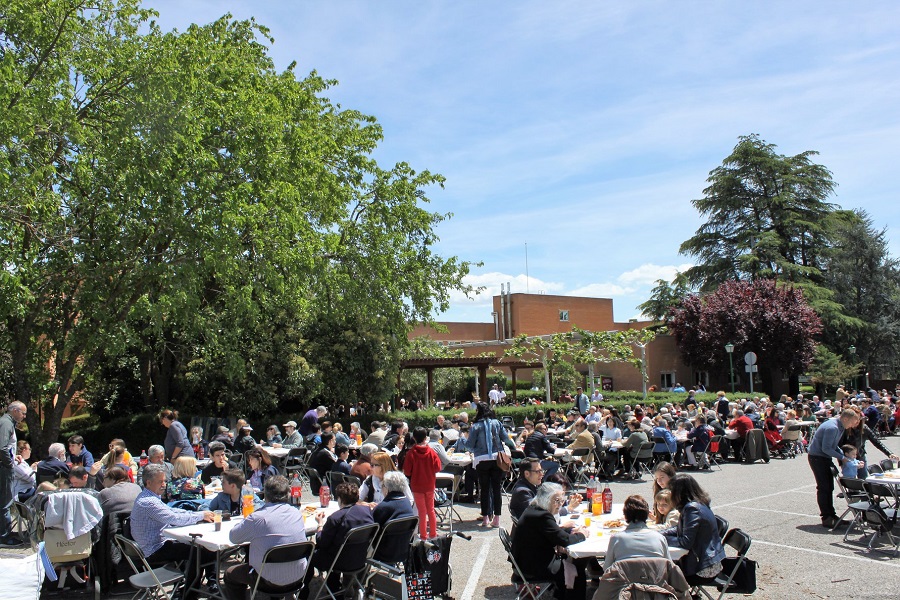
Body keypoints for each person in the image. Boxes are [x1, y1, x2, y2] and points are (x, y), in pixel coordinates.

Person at [131, 464, 215, 599]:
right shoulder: (149, 502)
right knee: (199, 552)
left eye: (164, 481)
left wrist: (196, 513)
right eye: (160, 481)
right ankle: (191, 593)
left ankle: (194, 587)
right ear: (148, 482)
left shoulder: (147, 497)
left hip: (152, 545)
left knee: (198, 549)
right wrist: (201, 516)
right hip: (154, 550)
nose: (164, 484)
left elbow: (170, 511)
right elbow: (174, 518)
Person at [224, 475, 308, 600]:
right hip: (298, 577)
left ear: (265, 495)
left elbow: (233, 537)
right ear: (289, 494)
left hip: (268, 581)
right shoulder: (296, 513)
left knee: (229, 574)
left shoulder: (259, 518)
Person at [511, 483, 588, 600]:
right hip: (532, 567)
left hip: (526, 562)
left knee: (572, 561)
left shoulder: (534, 509)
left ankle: (561, 593)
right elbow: (565, 540)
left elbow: (552, 533)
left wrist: (570, 531)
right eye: (556, 500)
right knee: (577, 567)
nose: (559, 505)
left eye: (561, 500)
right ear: (546, 499)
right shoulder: (542, 516)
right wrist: (582, 534)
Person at [303, 482, 374, 597]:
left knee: (309, 551)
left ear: (340, 499)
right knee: (336, 548)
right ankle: (334, 587)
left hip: (338, 561)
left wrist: (320, 525)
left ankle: (304, 592)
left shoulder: (336, 518)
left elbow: (322, 542)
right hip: (360, 558)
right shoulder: (367, 512)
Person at [661, 474, 725, 585]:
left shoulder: (692, 509)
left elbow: (685, 542)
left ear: (679, 493)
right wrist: (660, 534)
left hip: (703, 569)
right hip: (705, 562)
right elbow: (681, 528)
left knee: (661, 577)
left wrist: (662, 539)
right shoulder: (699, 503)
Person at [808, 408, 862, 528]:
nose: (854, 424)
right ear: (845, 418)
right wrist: (842, 458)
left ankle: (832, 515)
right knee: (824, 488)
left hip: (823, 458)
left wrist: (844, 456)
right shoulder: (833, 427)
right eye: (853, 421)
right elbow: (826, 448)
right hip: (818, 458)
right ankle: (826, 517)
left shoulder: (840, 426)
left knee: (829, 487)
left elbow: (835, 446)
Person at [466, 402, 514, 528]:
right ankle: (497, 518)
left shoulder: (475, 426)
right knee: (496, 488)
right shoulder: (497, 423)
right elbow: (506, 439)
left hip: (482, 459)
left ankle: (486, 518)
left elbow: (470, 445)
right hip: (496, 458)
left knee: (484, 489)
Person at [604, 494, 669, 570]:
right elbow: (669, 566)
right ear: (647, 514)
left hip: (624, 581)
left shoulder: (616, 539)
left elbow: (606, 569)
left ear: (625, 516)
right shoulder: (659, 538)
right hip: (655, 580)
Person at [403, 427, 443, 540]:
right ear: (426, 438)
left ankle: (424, 535)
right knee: (431, 509)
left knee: (421, 511)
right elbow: (438, 467)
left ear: (414, 438)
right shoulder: (431, 452)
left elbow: (407, 471)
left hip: (417, 485)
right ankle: (433, 533)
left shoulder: (411, 453)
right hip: (430, 484)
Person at [1, 401, 27, 546]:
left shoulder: (6, 422)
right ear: (15, 411)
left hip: (5, 465)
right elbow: (2, 447)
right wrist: (9, 463)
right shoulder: (6, 423)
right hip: (4, 468)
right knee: (5, 502)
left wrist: (13, 456)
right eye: (23, 413)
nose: (24, 416)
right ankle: (4, 537)